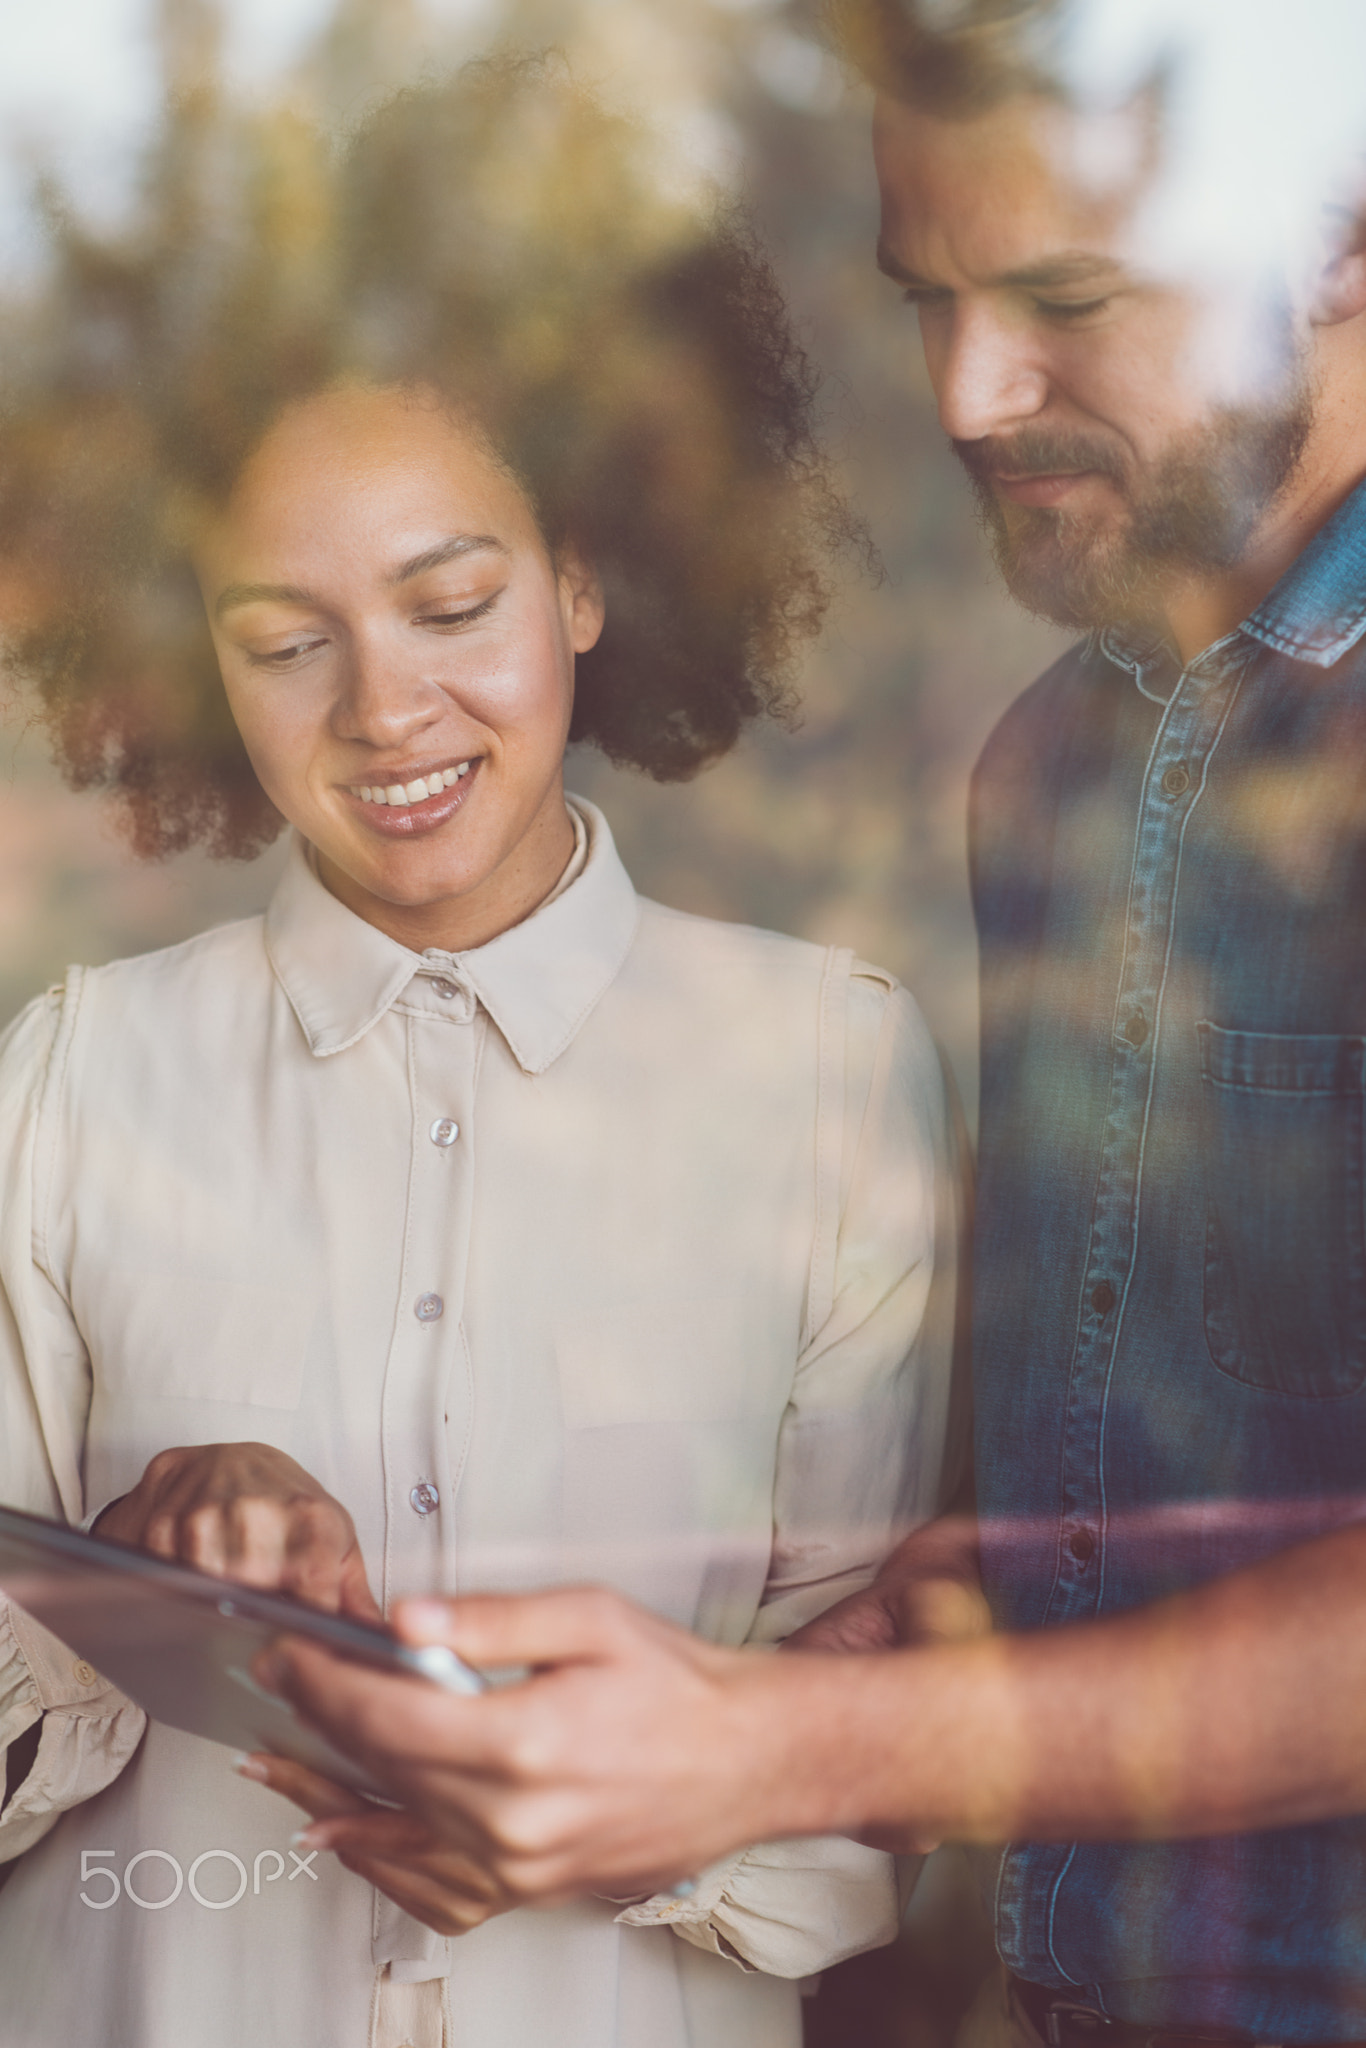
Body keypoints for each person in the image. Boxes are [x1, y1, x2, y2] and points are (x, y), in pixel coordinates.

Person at [255, 6, 1366, 2044]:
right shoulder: (1052, 767)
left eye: (1063, 298)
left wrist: (795, 1758)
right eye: (923, 296)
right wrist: (815, 1676)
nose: (964, 390)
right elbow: (1163, 1463)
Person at [0, 60, 966, 2048]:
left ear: (587, 574)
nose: (384, 709)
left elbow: (877, 1770)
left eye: (452, 601)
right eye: (287, 639)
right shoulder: (77, 1075)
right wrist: (124, 1576)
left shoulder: (827, 1077)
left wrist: (622, 1827)